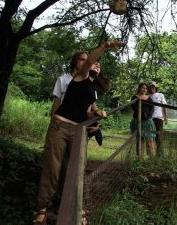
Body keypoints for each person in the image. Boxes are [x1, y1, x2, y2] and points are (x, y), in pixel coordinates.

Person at [33, 40, 121, 224]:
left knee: (76, 170)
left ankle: (76, 207)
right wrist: (105, 47)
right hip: (61, 127)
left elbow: (86, 110)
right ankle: (41, 209)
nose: (94, 63)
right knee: (53, 170)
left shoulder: (91, 87)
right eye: (89, 61)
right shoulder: (78, 77)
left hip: (78, 130)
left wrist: (96, 116)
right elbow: (89, 62)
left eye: (98, 64)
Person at [130, 83, 157, 157]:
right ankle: (140, 158)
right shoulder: (134, 98)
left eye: (145, 88)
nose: (144, 89)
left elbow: (152, 109)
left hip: (148, 121)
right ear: (139, 88)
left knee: (150, 140)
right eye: (143, 88)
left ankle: (152, 159)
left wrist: (147, 116)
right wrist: (142, 114)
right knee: (140, 140)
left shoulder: (149, 99)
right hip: (138, 121)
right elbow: (134, 108)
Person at [148, 81, 167, 155]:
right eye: (150, 87)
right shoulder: (148, 96)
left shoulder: (160, 95)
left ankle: (159, 152)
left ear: (155, 88)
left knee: (159, 135)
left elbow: (164, 105)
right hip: (150, 119)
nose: (152, 88)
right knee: (150, 136)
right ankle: (152, 153)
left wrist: (165, 116)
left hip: (159, 118)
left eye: (153, 86)